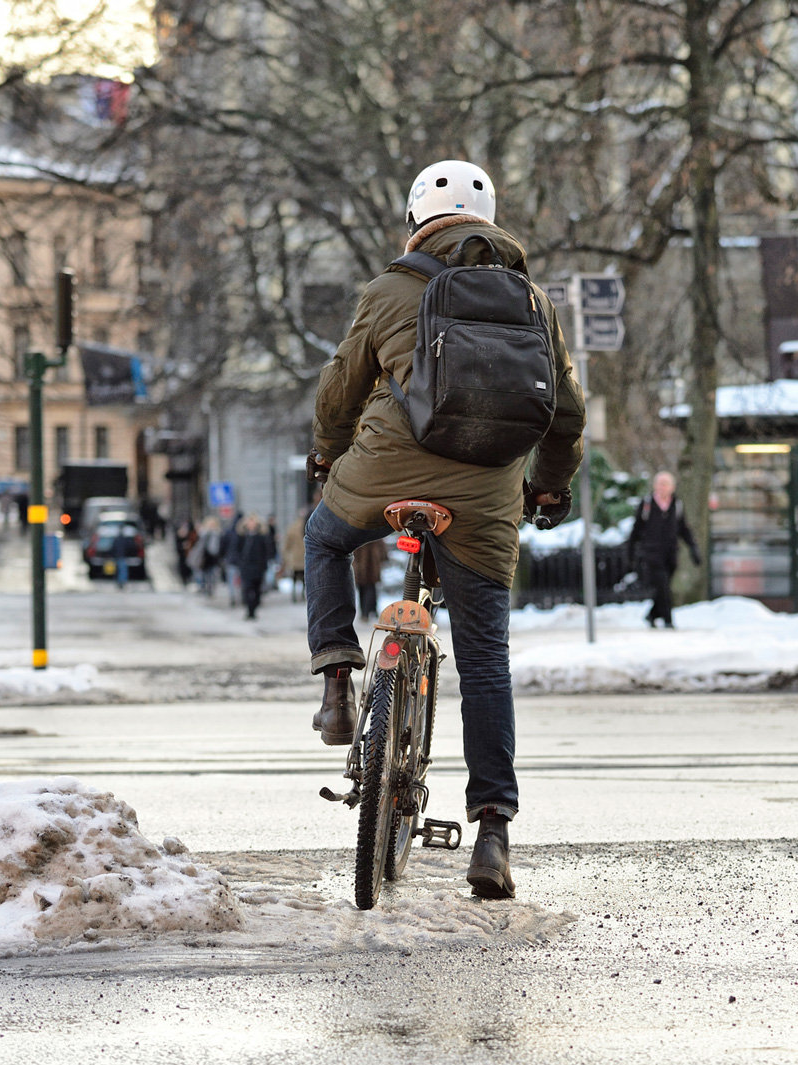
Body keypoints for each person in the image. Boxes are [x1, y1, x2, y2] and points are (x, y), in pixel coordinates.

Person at [303, 159, 584, 900]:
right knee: (485, 659)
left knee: (324, 539)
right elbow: (566, 413)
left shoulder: (388, 291)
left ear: (414, 221)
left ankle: (337, 676)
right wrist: (549, 485)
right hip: (486, 494)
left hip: (384, 473)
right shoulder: (534, 301)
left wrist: (328, 455)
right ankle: (492, 832)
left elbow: (340, 390)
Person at [627, 470, 701, 629]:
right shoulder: (647, 504)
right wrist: (630, 553)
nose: (663, 487)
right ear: (655, 486)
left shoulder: (677, 505)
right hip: (652, 553)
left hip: (671, 553)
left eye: (666, 484)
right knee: (662, 585)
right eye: (660, 484)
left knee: (664, 587)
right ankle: (668, 619)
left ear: (672, 487)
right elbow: (636, 530)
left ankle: (652, 614)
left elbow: (684, 529)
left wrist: (693, 548)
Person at [235, 513, 276, 620]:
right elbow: (237, 550)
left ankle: (254, 607)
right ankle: (250, 610)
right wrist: (239, 562)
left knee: (257, 589)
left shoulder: (262, 536)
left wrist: (265, 562)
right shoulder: (242, 536)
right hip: (246, 567)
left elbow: (267, 550)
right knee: (247, 588)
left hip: (258, 566)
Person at [352, 536, 387, 622]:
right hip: (371, 567)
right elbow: (383, 552)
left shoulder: (357, 535)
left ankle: (366, 613)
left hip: (361, 568)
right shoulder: (375, 534)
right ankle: (370, 611)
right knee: (370, 588)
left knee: (364, 589)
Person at [281, 509, 308, 601]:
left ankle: (294, 595)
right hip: (305, 555)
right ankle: (303, 594)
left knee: (294, 578)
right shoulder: (308, 525)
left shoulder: (292, 527)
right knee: (304, 578)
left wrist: (285, 553)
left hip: (295, 557)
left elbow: (287, 543)